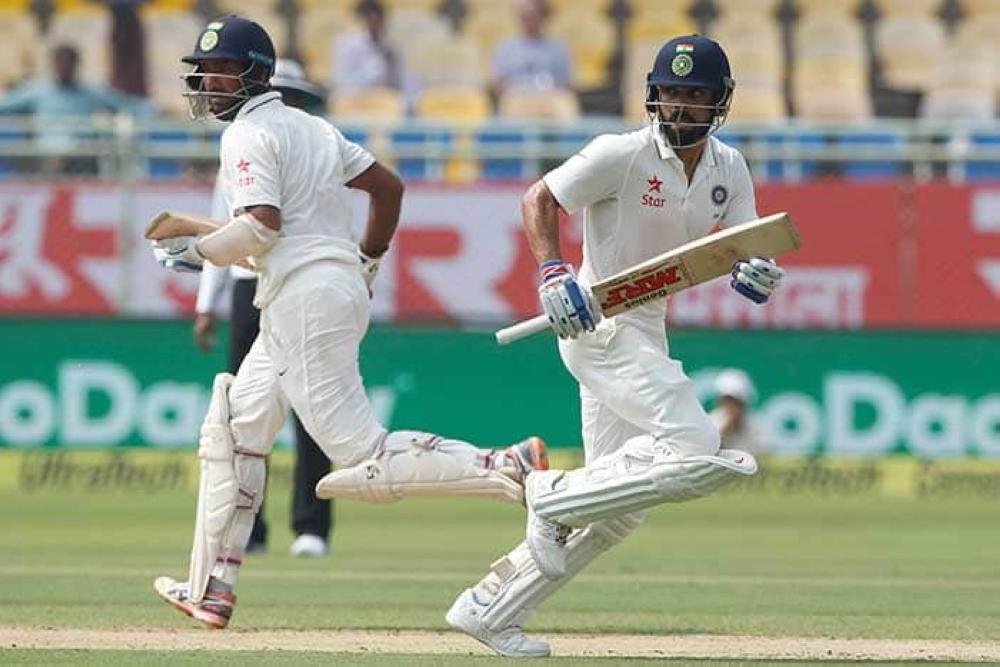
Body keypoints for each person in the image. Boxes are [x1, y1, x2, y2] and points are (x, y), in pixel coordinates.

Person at [150, 15, 548, 630]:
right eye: (203, 70)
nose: (206, 81)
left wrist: (195, 253)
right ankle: (212, 587)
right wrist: (366, 261)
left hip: (303, 297)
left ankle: (505, 467)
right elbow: (388, 189)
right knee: (234, 429)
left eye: (220, 69)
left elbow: (260, 226)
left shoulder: (247, 136)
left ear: (253, 71)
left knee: (360, 456)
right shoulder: (314, 128)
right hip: (314, 290)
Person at [445, 35, 786, 657]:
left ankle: (489, 610)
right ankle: (547, 494)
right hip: (595, 321)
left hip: (646, 323)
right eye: (673, 94)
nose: (682, 107)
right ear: (655, 97)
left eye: (697, 96)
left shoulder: (728, 169)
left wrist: (754, 270)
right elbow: (540, 198)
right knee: (694, 442)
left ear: (719, 104)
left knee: (619, 513)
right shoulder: (621, 154)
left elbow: (744, 243)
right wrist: (551, 273)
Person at [194, 58, 333, 559]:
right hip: (248, 286)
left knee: (311, 409)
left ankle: (311, 527)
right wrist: (205, 303)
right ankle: (247, 528)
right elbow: (219, 226)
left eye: (295, 97)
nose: (288, 105)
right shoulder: (243, 144)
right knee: (244, 412)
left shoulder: (315, 149)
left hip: (298, 287)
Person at [0, 43, 152, 174]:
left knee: (88, 158)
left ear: (76, 65)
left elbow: (133, 106)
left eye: (69, 63)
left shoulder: (91, 93)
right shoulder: (36, 92)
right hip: (44, 155)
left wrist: (154, 113)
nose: (64, 68)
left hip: (80, 156)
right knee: (26, 159)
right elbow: (5, 106)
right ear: (53, 64)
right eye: (61, 63)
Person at [332, 0, 415, 103]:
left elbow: (400, 83)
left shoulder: (391, 47)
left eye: (379, 21)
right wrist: (379, 63)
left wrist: (391, 65)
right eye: (370, 20)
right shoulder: (346, 46)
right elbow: (344, 84)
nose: (375, 25)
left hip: (384, 104)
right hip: (355, 102)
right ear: (361, 20)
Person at [489, 0, 572, 99]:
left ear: (544, 17)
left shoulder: (558, 49)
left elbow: (565, 86)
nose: (530, 21)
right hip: (514, 105)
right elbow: (497, 84)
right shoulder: (505, 48)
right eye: (525, 16)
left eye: (534, 16)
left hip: (548, 104)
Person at [710, 368, 763, 455]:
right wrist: (724, 430)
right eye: (727, 400)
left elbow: (763, 456)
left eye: (736, 401)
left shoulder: (756, 425)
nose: (731, 405)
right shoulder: (712, 422)